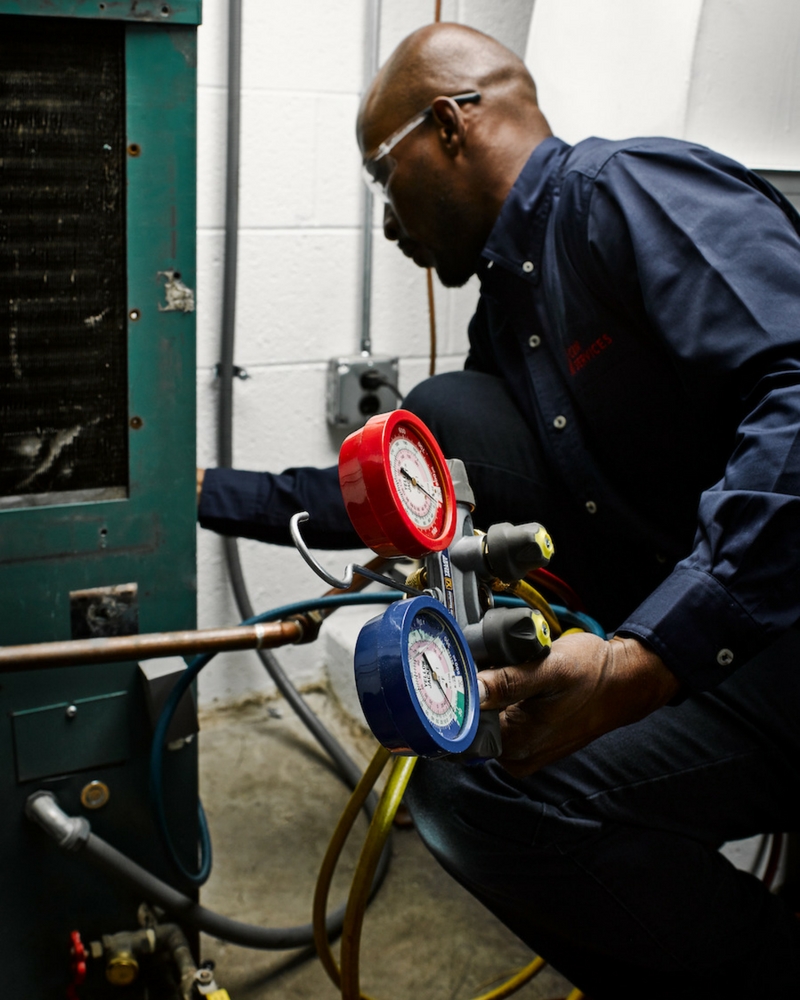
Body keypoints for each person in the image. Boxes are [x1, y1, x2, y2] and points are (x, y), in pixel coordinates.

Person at [200, 23, 800, 997]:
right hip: (712, 643)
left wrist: (648, 658)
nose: (388, 225)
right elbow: (420, 490)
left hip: (772, 625)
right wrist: (202, 495)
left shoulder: (622, 194)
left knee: (492, 797)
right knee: (475, 775)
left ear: (448, 124)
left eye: (380, 179)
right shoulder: (509, 317)